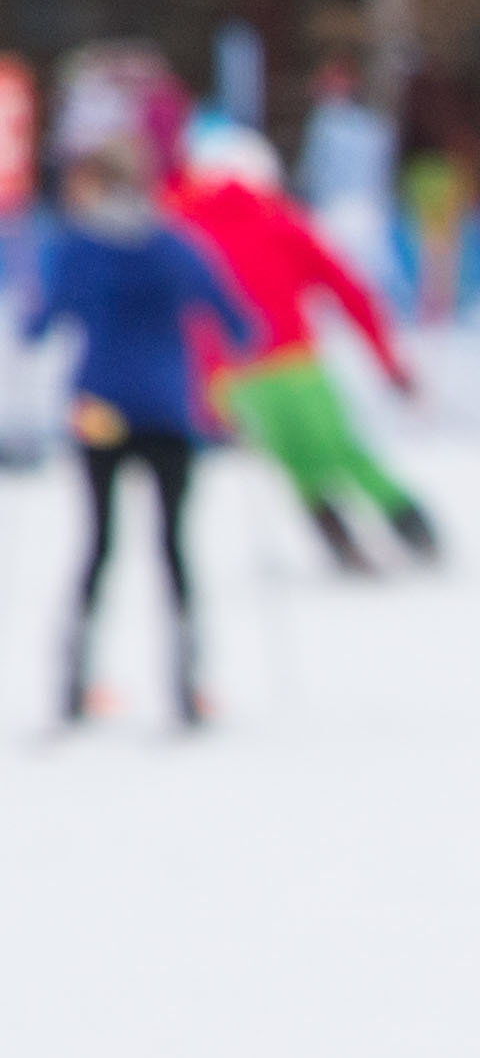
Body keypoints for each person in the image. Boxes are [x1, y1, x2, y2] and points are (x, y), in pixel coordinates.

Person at [23, 135, 258, 726]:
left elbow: (38, 325)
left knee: (98, 545)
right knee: (173, 548)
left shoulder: (76, 249)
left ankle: (72, 687)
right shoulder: (176, 247)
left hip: (98, 409)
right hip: (167, 412)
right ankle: (185, 687)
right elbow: (236, 321)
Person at [167, 119, 439, 572]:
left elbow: (173, 319)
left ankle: (336, 537)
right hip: (294, 367)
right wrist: (390, 364)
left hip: (229, 381)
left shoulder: (178, 233)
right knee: (343, 451)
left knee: (296, 464)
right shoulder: (279, 221)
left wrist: (199, 394)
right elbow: (352, 293)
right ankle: (412, 527)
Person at [296, 57, 405, 297]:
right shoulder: (370, 125)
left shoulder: (332, 123)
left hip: (342, 212)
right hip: (362, 213)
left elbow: (315, 172)